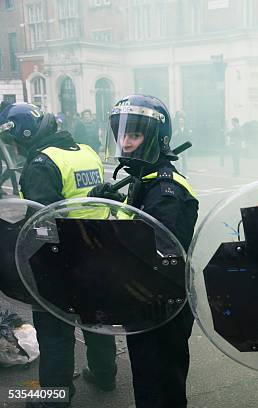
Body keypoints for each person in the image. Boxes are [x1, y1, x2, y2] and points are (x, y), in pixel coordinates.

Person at [0, 103, 117, 408]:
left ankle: (54, 398)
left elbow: (42, 221)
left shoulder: (41, 163)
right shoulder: (85, 150)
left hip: (62, 260)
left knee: (54, 333)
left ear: (25, 133)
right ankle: (105, 375)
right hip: (99, 251)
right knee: (97, 321)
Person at [89, 94, 199, 408]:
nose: (126, 142)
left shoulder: (165, 191)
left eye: (135, 134)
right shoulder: (142, 181)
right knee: (148, 384)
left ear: (157, 139)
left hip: (160, 307)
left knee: (159, 389)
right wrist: (101, 204)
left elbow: (159, 257)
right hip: (141, 301)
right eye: (122, 133)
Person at [172, 111, 192, 176]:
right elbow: (173, 137)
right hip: (178, 146)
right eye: (180, 121)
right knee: (177, 161)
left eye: (182, 121)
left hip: (185, 147)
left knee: (185, 161)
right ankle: (178, 173)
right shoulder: (176, 128)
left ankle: (185, 173)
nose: (181, 122)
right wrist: (175, 134)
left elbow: (188, 137)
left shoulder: (186, 129)